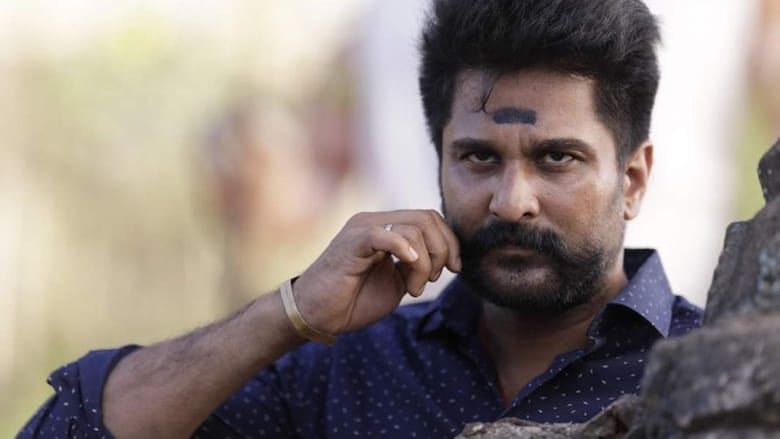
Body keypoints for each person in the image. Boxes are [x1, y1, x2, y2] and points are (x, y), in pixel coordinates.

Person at [18, 0, 703, 437]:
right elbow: (69, 427)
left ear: (633, 179)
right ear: (439, 160)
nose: (510, 199)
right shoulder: (344, 370)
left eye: (556, 158)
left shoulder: (715, 366)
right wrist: (290, 313)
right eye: (478, 157)